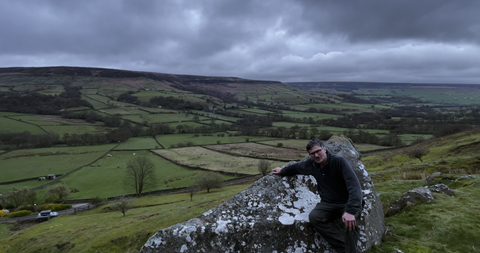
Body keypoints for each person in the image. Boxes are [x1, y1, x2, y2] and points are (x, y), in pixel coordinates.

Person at [272, 138, 362, 253]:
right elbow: (296, 167)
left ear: (324, 149)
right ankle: (346, 249)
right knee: (315, 217)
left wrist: (350, 211)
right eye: (312, 154)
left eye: (318, 151)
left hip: (347, 202)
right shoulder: (312, 164)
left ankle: (351, 250)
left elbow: (354, 186)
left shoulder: (339, 162)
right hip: (329, 203)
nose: (316, 155)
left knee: (350, 225)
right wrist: (282, 171)